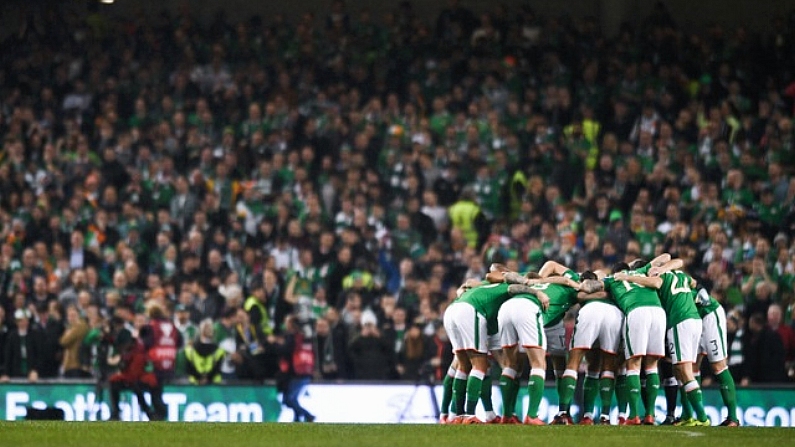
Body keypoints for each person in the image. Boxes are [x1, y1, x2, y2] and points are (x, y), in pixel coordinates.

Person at [629, 261, 710, 426]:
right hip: (695, 319)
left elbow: (655, 282)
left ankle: (702, 417)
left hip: (680, 321)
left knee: (684, 370)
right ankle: (688, 415)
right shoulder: (681, 275)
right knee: (681, 369)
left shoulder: (658, 276)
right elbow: (694, 282)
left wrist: (628, 278)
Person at [552, 269, 620, 425]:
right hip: (613, 314)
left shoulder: (577, 287)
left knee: (574, 361)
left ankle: (564, 413)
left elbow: (579, 295)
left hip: (590, 312)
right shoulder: (608, 284)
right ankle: (603, 417)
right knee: (602, 366)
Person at [604, 262, 666, 425]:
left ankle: (633, 415)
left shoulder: (611, 279)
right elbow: (664, 258)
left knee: (633, 364)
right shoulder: (641, 273)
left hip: (637, 311)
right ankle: (650, 414)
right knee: (652, 365)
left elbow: (591, 287)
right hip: (659, 312)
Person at [139, 302, 181, 420]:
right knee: (157, 391)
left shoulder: (150, 327)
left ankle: (158, 413)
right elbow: (180, 342)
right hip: (169, 364)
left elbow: (145, 344)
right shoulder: (172, 326)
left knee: (145, 388)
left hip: (154, 365)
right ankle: (159, 414)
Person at [278, 315, 316, 422]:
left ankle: (308, 415)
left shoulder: (292, 338)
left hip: (295, 373)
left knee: (288, 400)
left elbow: (286, 351)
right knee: (293, 398)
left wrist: (276, 345)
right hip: (304, 371)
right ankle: (297, 419)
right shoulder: (303, 337)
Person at [2, 309, 42, 382]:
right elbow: (8, 356)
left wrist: (35, 370)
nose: (24, 323)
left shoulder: (34, 335)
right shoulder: (12, 336)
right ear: (17, 322)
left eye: (26, 320)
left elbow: (39, 355)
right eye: (22, 320)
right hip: (15, 372)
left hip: (31, 373)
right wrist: (6, 374)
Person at [184, 319, 225, 385]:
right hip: (194, 385)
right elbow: (189, 368)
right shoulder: (190, 349)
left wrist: (206, 379)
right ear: (200, 330)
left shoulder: (219, 350)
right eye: (206, 327)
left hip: (214, 385)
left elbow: (217, 368)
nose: (209, 330)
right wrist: (201, 378)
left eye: (210, 327)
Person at [59, 305, 90, 378]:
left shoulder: (81, 326)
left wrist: (68, 333)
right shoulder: (70, 327)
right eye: (69, 316)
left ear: (78, 315)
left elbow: (64, 341)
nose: (71, 318)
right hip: (68, 364)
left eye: (73, 315)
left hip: (76, 364)